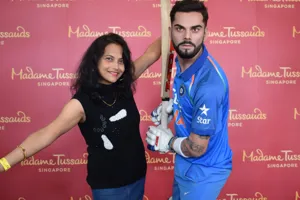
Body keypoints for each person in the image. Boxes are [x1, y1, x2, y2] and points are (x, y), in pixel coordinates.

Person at [0, 33, 161, 200]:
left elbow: (152, 54)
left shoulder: (123, 83)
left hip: (138, 177)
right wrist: (3, 164)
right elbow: (45, 135)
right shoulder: (80, 103)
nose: (116, 66)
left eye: (121, 61)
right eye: (109, 58)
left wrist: (174, 28)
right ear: (95, 60)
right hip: (109, 188)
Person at [146, 1, 233, 199]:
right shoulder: (181, 59)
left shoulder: (209, 85)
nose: (187, 37)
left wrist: (168, 143)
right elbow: (188, 96)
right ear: (171, 31)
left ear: (205, 32)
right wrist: (173, 107)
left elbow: (197, 148)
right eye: (180, 29)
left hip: (204, 170)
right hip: (185, 163)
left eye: (195, 29)